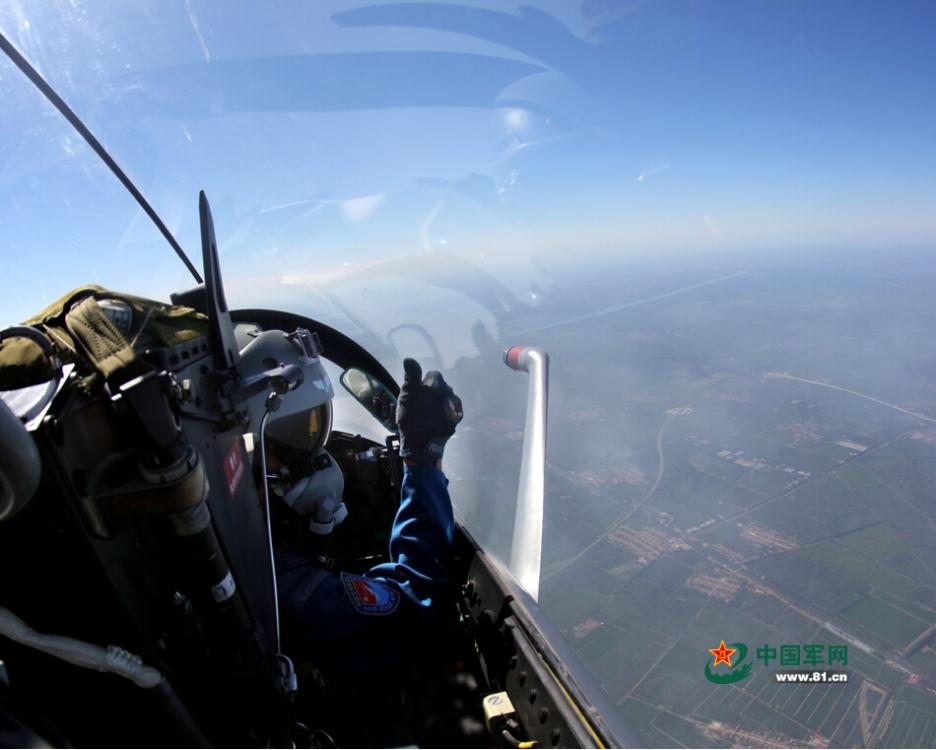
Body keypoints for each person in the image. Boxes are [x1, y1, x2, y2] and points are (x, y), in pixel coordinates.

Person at [273, 357, 463, 675]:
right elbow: (414, 607)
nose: (316, 456)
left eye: (313, 428)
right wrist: (422, 461)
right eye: (291, 436)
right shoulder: (284, 583)